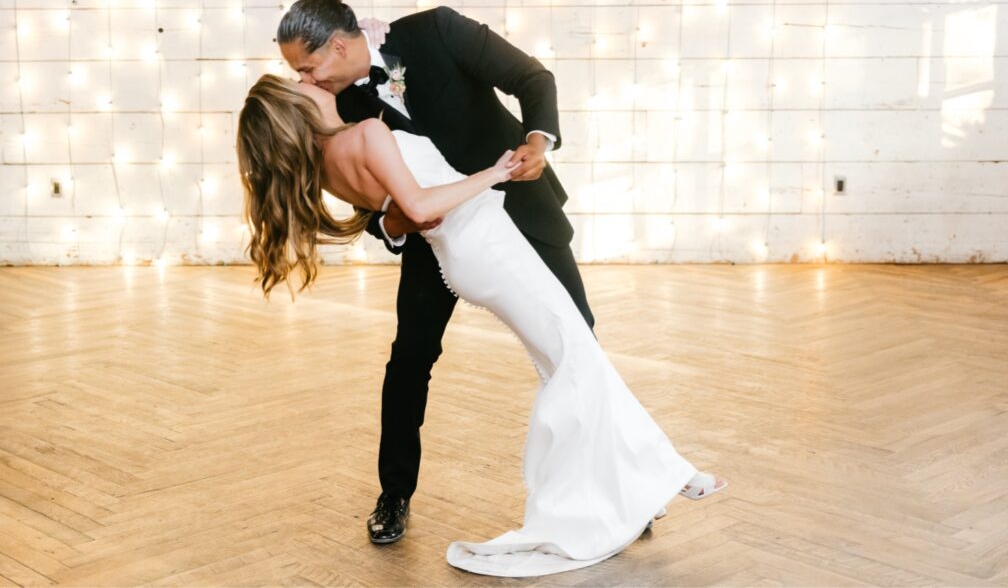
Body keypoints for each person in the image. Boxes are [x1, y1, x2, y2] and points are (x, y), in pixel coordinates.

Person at [236, 73, 728, 577]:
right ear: (296, 108)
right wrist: (492, 174)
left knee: (564, 359)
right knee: (574, 353)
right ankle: (666, 474)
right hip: (486, 247)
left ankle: (635, 480)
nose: (306, 78)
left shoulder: (325, 165)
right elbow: (421, 206)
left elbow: (402, 212)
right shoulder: (366, 134)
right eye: (296, 83)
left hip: (470, 253)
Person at [275, 0, 597, 545]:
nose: (304, 81)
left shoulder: (435, 31)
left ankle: (609, 482)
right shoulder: (333, 110)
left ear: (340, 47)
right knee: (410, 359)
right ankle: (393, 494)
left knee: (578, 342)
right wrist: (397, 225)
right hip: (440, 240)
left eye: (306, 67)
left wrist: (538, 143)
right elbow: (371, 208)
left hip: (522, 207)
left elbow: (532, 78)